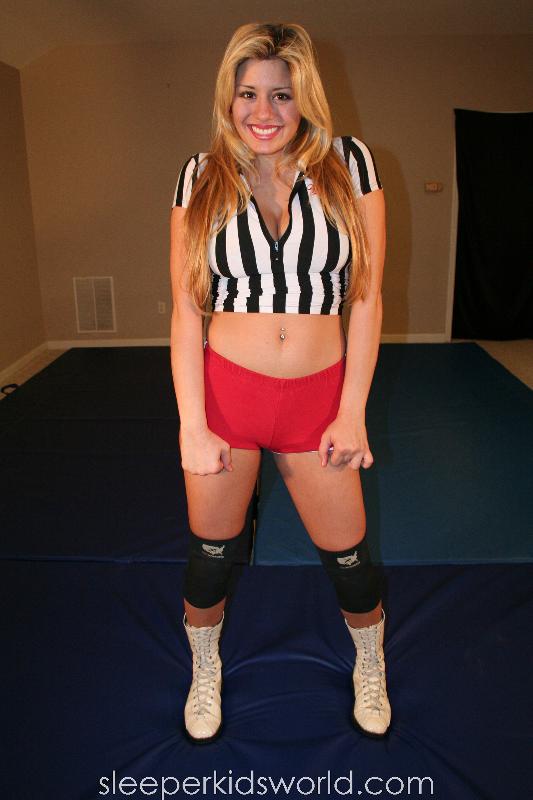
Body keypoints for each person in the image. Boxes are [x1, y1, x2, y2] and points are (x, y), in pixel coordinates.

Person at [169, 21, 390, 744]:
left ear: (306, 99)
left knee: (350, 560)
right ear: (227, 98)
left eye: (281, 95)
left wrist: (352, 411)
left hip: (317, 401)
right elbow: (185, 308)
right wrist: (192, 424)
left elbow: (366, 299)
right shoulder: (199, 174)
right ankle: (205, 665)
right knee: (211, 559)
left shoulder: (351, 164)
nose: (262, 111)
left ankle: (370, 660)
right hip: (227, 396)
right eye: (247, 94)